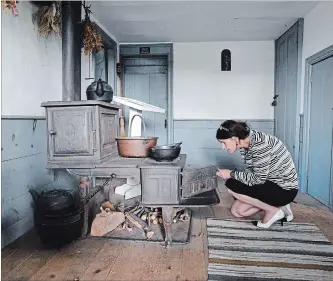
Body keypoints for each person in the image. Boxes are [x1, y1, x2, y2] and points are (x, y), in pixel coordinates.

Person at [215, 120, 298, 228]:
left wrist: (230, 173)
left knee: (231, 184)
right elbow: (253, 173)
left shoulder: (260, 145)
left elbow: (258, 179)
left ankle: (273, 211)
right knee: (237, 211)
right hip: (270, 183)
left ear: (234, 139)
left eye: (224, 142)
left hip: (285, 190)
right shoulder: (245, 143)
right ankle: (280, 206)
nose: (223, 147)